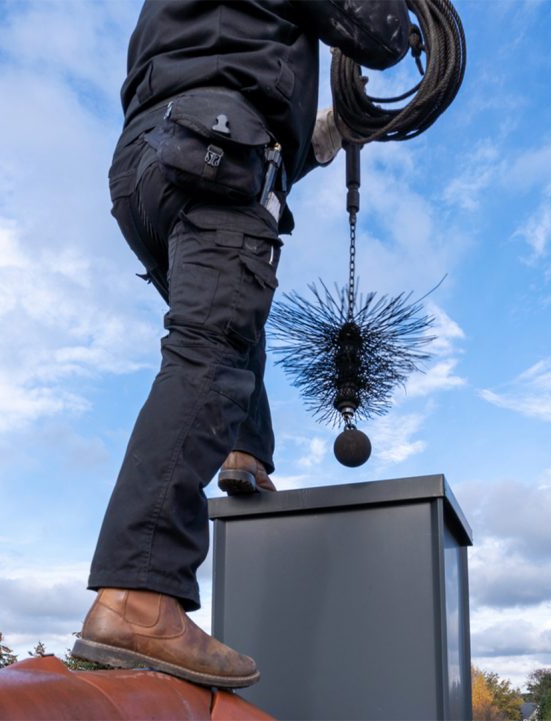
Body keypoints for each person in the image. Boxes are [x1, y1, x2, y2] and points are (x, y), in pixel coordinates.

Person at [72, 0, 410, 688]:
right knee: (212, 348)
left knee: (227, 320)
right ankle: (139, 595)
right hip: (213, 151)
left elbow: (225, 75)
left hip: (149, 165)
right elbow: (379, 33)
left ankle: (245, 451)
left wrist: (318, 137)